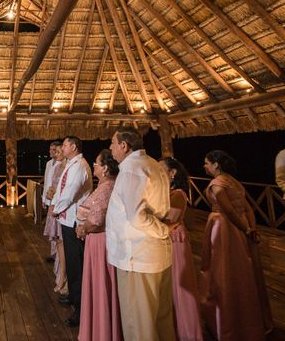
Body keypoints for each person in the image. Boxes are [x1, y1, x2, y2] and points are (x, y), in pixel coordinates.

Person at [106, 126, 175, 341]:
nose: (111, 148)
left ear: (124, 146)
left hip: (137, 256)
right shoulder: (152, 164)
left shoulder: (131, 169)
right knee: (161, 319)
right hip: (155, 255)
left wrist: (163, 230)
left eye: (113, 143)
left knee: (139, 325)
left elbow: (136, 216)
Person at [200, 150, 272, 340]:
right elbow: (248, 208)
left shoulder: (217, 184)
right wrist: (250, 227)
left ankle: (229, 320)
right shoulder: (234, 181)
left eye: (207, 163)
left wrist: (245, 229)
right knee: (245, 269)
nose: (204, 166)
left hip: (225, 227)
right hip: (242, 225)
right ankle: (251, 317)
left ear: (216, 165)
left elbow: (229, 211)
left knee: (224, 270)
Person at [76, 149, 122, 341]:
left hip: (99, 241)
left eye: (96, 163)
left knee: (100, 283)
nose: (93, 166)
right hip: (99, 240)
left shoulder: (106, 188)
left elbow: (96, 220)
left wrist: (83, 229)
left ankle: (101, 330)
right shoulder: (107, 185)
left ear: (104, 168)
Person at [50, 136, 92, 327]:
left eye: (65, 145)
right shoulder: (71, 163)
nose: (62, 147)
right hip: (68, 218)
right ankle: (75, 297)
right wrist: (54, 204)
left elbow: (70, 192)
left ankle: (80, 308)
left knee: (76, 265)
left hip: (75, 220)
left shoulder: (80, 165)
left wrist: (56, 209)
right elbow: (61, 188)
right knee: (72, 260)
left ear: (73, 147)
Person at [160, 157, 203, 341]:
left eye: (160, 169)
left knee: (179, 283)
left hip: (175, 239)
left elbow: (170, 219)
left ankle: (186, 331)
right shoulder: (165, 192)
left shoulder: (178, 194)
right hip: (165, 239)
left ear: (172, 173)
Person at [43, 144, 68, 296]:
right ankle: (59, 273)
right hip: (54, 205)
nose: (57, 153)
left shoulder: (67, 168)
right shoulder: (57, 167)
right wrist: (48, 197)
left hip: (61, 208)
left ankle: (63, 277)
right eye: (56, 151)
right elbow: (51, 185)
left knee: (62, 242)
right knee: (58, 241)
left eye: (59, 151)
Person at [42, 141, 62, 263]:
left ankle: (57, 254)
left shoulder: (61, 164)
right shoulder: (49, 163)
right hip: (49, 198)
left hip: (56, 200)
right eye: (50, 149)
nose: (51, 151)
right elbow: (46, 181)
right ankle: (53, 252)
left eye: (54, 149)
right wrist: (44, 199)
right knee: (51, 228)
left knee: (56, 228)